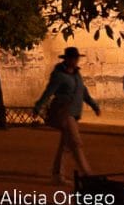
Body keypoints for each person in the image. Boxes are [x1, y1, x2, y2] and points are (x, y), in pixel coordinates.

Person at [33, 46, 100, 185]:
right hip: (64, 112)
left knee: (66, 145)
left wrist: (93, 105)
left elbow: (84, 92)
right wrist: (38, 106)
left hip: (74, 113)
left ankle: (57, 175)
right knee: (76, 142)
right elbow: (49, 91)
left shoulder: (76, 74)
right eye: (74, 58)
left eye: (77, 58)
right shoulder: (58, 75)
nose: (77, 61)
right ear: (68, 59)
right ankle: (87, 175)